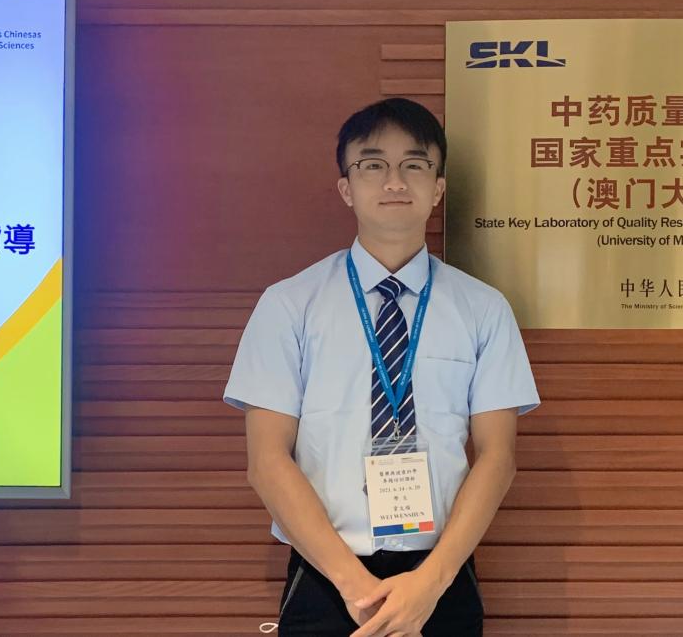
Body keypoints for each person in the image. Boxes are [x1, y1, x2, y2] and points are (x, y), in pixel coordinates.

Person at [223, 97, 539, 636]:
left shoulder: (484, 309)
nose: (395, 181)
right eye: (373, 165)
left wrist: (429, 585)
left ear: (438, 188)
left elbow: (497, 457)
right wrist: (355, 587)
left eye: (415, 164)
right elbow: (267, 460)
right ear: (347, 187)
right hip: (327, 575)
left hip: (440, 575)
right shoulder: (289, 305)